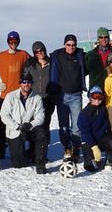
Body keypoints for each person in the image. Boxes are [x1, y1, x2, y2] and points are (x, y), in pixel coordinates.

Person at [0, 74, 49, 174]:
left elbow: (40, 117)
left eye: (29, 82)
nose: (27, 84)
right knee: (19, 164)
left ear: (32, 84)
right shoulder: (11, 96)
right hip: (15, 130)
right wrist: (17, 127)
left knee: (42, 134)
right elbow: (4, 115)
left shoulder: (37, 98)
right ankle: (27, 154)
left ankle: (40, 163)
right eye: (24, 82)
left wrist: (29, 125)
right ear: (20, 83)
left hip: (29, 128)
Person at [49, 34, 87, 162]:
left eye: (73, 45)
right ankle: (67, 147)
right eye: (68, 45)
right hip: (62, 96)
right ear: (64, 44)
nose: (71, 47)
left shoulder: (80, 55)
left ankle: (76, 148)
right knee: (64, 125)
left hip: (76, 95)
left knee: (76, 125)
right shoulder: (57, 55)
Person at [0, 31, 29, 159]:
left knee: (19, 122)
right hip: (5, 96)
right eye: (11, 41)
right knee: (2, 123)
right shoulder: (0, 56)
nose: (13, 43)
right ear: (7, 42)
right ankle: (1, 148)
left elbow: (34, 66)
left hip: (19, 96)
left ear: (19, 41)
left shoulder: (23, 54)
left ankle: (20, 147)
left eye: (15, 41)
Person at [78, 86, 112, 172]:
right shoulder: (84, 113)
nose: (97, 99)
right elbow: (85, 132)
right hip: (89, 141)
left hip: (101, 138)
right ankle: (95, 161)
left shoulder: (103, 109)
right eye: (94, 96)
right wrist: (94, 147)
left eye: (100, 97)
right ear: (90, 97)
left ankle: (109, 160)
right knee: (91, 167)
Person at [24, 41, 55, 135]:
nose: (39, 53)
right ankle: (34, 145)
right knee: (34, 122)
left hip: (48, 98)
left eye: (41, 50)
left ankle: (44, 145)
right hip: (34, 98)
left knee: (46, 122)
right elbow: (25, 79)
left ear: (44, 50)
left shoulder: (52, 64)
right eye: (36, 52)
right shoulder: (30, 65)